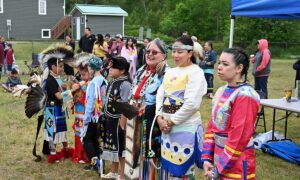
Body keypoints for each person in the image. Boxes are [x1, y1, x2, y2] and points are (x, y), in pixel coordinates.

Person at [202, 48, 260, 180]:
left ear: (239, 68)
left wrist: (220, 167)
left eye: (225, 64)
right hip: (219, 157)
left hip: (237, 163)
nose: (219, 67)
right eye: (219, 64)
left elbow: (239, 137)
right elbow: (213, 126)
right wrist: (207, 158)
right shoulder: (221, 91)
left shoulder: (246, 96)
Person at [155, 36, 207, 179]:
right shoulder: (170, 72)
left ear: (190, 53)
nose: (175, 55)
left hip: (185, 127)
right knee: (169, 166)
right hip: (166, 128)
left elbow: (192, 104)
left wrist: (170, 122)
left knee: (184, 170)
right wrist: (159, 118)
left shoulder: (196, 72)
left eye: (180, 52)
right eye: (174, 51)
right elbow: (160, 96)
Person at [124, 38, 168, 179]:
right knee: (134, 154)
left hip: (152, 122)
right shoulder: (141, 70)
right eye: (148, 51)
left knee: (151, 155)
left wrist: (148, 108)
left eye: (154, 52)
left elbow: (168, 100)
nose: (149, 54)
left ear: (164, 55)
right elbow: (133, 91)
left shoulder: (167, 74)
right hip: (134, 119)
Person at [41, 45, 75, 163]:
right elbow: (59, 96)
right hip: (52, 108)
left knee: (62, 128)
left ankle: (66, 150)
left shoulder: (57, 77)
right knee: (52, 131)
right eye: (60, 66)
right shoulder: (50, 79)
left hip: (58, 108)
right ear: (53, 66)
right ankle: (53, 153)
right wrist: (72, 91)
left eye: (62, 66)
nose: (62, 68)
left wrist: (66, 86)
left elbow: (62, 89)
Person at [101, 56, 131, 180]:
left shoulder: (125, 84)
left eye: (114, 67)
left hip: (118, 121)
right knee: (113, 146)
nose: (110, 69)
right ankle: (114, 172)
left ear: (122, 70)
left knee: (121, 150)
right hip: (110, 119)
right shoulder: (112, 81)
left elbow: (125, 105)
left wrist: (122, 125)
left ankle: (122, 175)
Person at [81, 56, 107, 173]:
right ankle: (98, 162)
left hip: (93, 116)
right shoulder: (104, 81)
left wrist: (85, 119)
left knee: (86, 139)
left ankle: (96, 161)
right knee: (94, 139)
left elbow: (90, 103)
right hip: (101, 116)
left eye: (89, 67)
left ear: (92, 68)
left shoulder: (93, 83)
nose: (88, 69)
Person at [70, 53, 91, 164]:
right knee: (78, 133)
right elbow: (71, 97)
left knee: (85, 134)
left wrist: (82, 85)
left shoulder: (92, 84)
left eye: (84, 75)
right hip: (79, 113)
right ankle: (78, 154)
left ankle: (85, 154)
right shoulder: (80, 84)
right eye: (81, 75)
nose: (82, 77)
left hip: (86, 114)